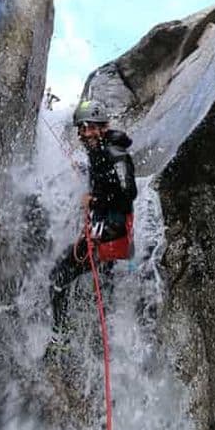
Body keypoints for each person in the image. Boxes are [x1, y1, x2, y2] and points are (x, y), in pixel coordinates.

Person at [47, 100, 137, 353]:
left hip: (109, 235)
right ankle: (98, 340)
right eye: (80, 128)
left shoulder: (115, 153)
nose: (82, 134)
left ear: (101, 127)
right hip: (107, 231)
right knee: (101, 291)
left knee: (57, 277)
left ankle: (60, 339)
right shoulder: (99, 152)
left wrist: (94, 200)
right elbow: (110, 183)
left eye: (87, 127)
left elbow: (128, 191)